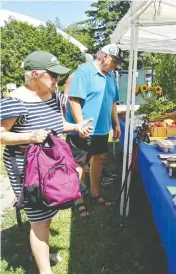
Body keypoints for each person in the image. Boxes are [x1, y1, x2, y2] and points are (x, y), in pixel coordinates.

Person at [0, 51, 93, 274]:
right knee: (40, 219)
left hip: (53, 163)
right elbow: (1, 135)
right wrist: (29, 137)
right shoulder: (14, 100)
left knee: (48, 212)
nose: (57, 81)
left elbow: (58, 124)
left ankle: (42, 252)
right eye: (53, 76)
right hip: (27, 165)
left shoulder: (54, 96)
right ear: (34, 74)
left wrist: (77, 127)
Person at [65, 44, 122, 206]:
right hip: (85, 128)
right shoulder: (84, 71)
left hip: (102, 128)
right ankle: (78, 198)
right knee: (79, 164)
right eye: (115, 61)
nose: (116, 65)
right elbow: (73, 99)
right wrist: (80, 124)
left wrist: (116, 123)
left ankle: (94, 192)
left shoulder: (111, 76)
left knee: (99, 159)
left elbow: (112, 102)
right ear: (104, 56)